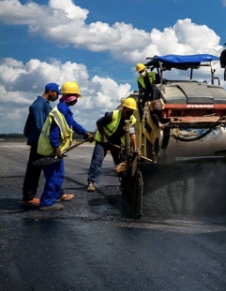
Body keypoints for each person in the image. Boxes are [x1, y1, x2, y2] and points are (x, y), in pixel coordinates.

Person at [36, 81, 93, 212]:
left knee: (58, 174)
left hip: (53, 149)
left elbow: (73, 124)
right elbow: (55, 132)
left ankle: (54, 196)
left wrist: (85, 133)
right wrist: (56, 148)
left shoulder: (64, 109)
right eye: (76, 98)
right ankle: (47, 203)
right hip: (51, 150)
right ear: (72, 98)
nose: (77, 100)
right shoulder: (62, 111)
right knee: (54, 176)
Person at [86, 97, 138, 192]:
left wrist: (135, 147)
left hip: (116, 142)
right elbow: (99, 123)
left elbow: (132, 133)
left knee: (120, 162)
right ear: (124, 108)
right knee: (98, 159)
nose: (130, 114)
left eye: (132, 112)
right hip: (103, 140)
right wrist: (104, 137)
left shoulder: (132, 120)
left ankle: (124, 182)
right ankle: (91, 182)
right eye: (129, 111)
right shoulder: (112, 115)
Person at [20, 83, 60, 206]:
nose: (57, 96)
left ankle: (57, 193)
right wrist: (50, 143)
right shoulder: (38, 105)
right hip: (39, 143)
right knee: (34, 171)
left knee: (50, 169)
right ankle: (29, 197)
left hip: (42, 143)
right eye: (57, 93)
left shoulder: (45, 104)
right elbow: (39, 127)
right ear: (51, 91)